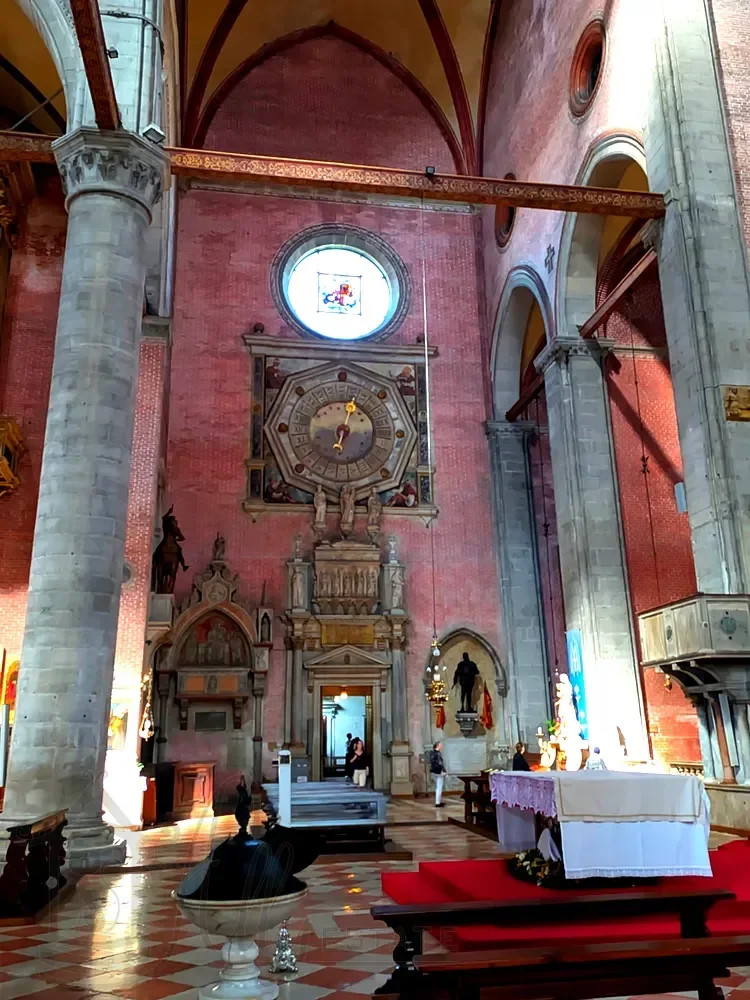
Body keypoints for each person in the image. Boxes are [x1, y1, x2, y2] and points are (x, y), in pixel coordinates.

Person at [429, 741, 447, 807]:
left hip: (433, 771)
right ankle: (437, 803)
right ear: (437, 746)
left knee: (437, 787)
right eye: (440, 745)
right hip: (439, 772)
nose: (441, 746)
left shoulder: (431, 752)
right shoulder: (438, 753)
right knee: (439, 787)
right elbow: (440, 763)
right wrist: (444, 770)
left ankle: (438, 802)